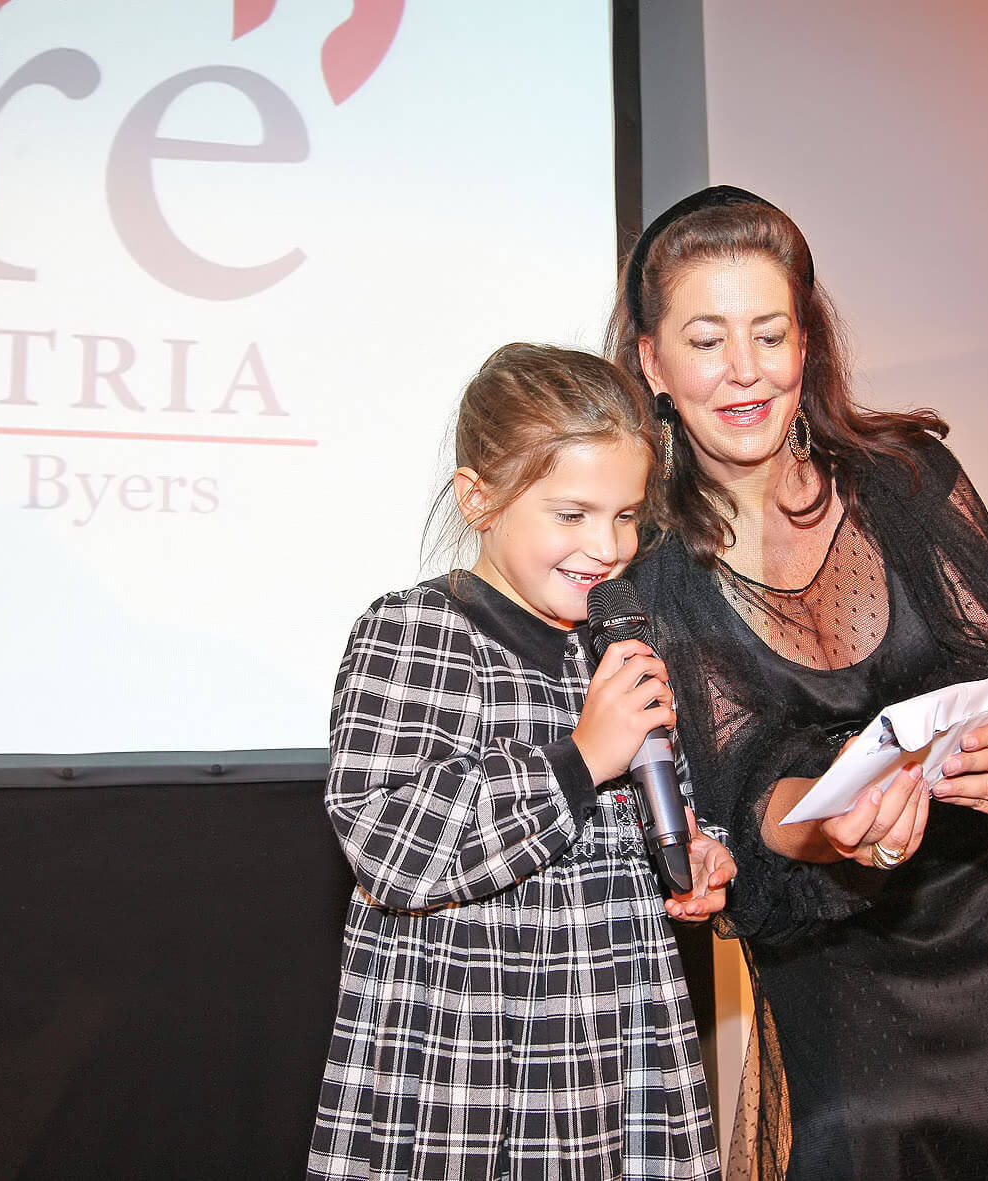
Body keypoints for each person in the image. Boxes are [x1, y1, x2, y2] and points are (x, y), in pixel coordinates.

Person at [609, 187, 988, 1179]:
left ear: (805, 343)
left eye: (769, 334)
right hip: (836, 972)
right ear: (653, 363)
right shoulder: (650, 568)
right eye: (707, 339)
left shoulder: (908, 482)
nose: (744, 370)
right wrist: (827, 821)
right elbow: (735, 799)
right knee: (854, 1136)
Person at [308, 342, 737, 1181]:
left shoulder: (618, 646)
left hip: (613, 1046)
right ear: (480, 497)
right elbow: (392, 844)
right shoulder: (415, 631)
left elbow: (658, 797)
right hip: (469, 1056)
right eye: (571, 514)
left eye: (625, 515)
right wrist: (579, 760)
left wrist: (694, 847)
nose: (606, 546)